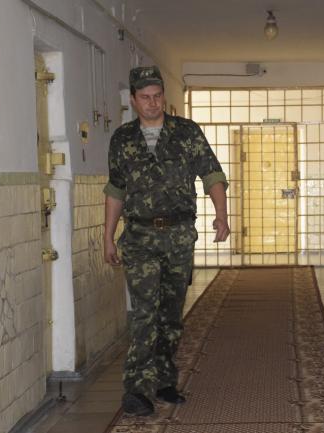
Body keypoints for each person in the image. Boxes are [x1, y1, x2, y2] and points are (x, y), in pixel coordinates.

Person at [103, 65, 230, 416]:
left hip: (178, 236)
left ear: (164, 96)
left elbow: (212, 173)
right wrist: (108, 237)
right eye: (145, 97)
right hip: (140, 236)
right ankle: (137, 388)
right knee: (145, 312)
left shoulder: (186, 132)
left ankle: (163, 380)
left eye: (157, 96)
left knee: (171, 314)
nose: (152, 103)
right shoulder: (122, 139)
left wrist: (221, 214)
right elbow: (116, 189)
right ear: (133, 100)